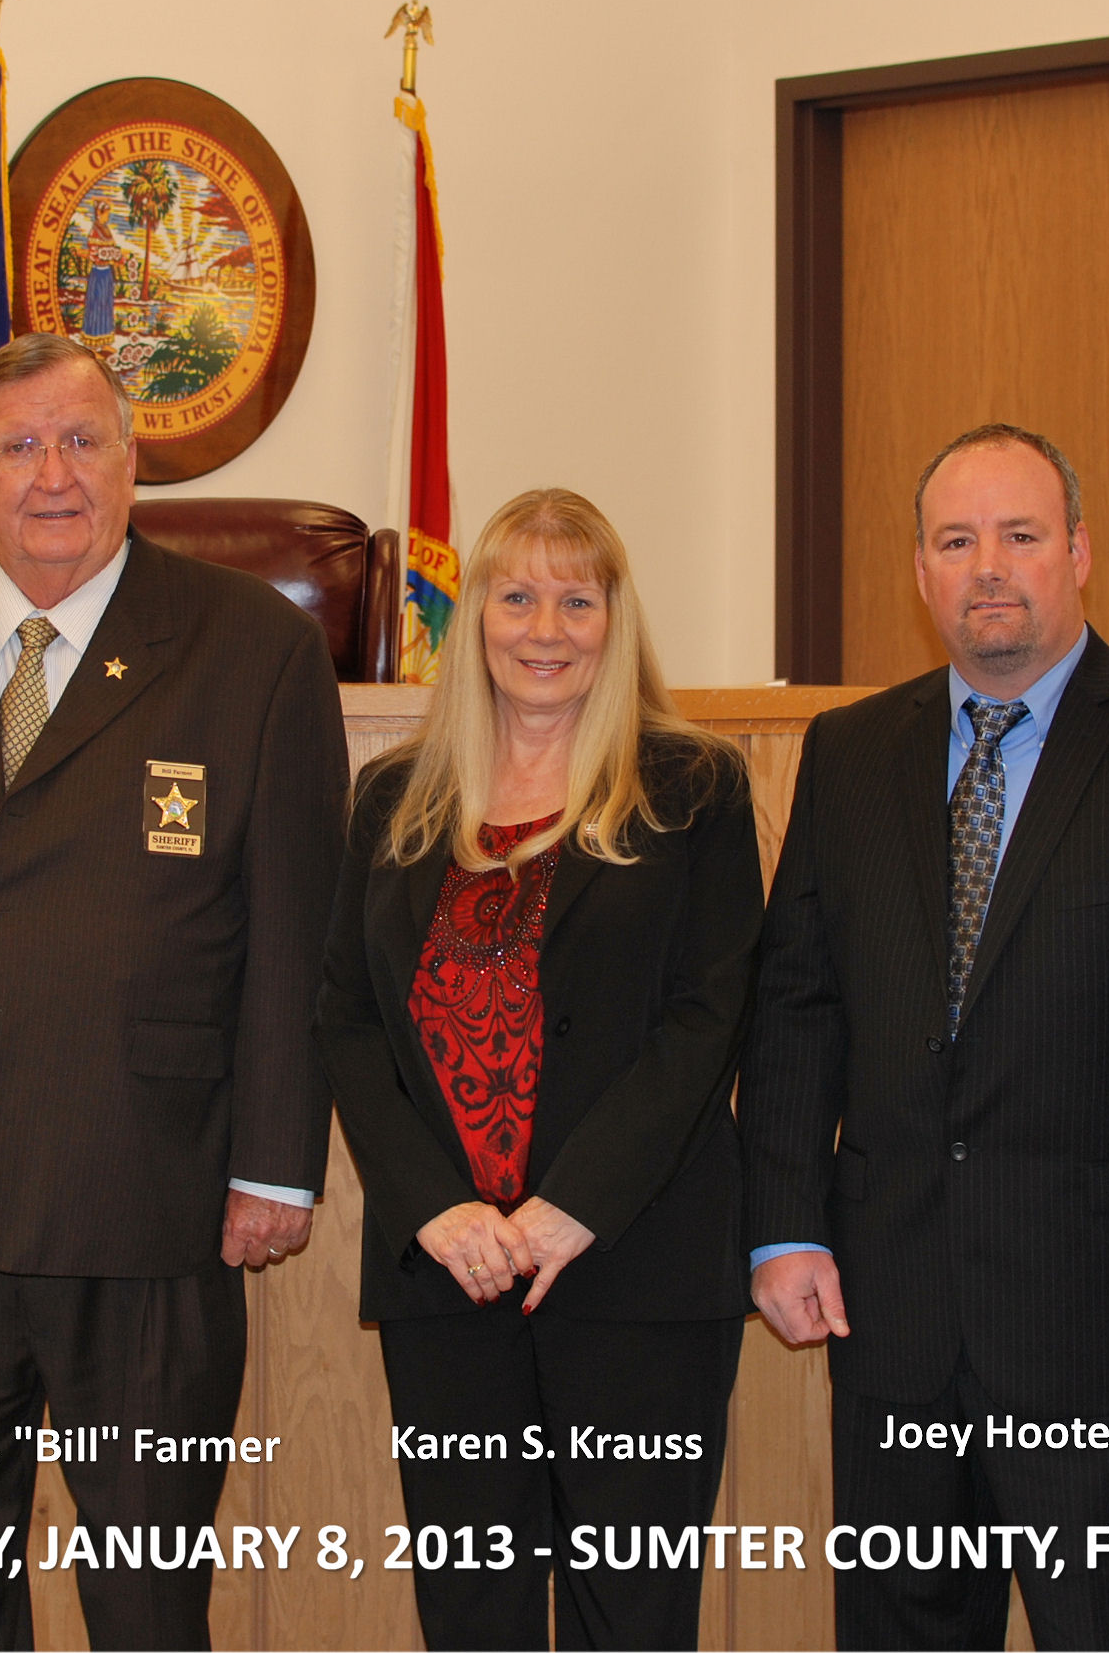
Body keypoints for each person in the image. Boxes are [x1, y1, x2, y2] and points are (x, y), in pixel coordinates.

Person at [0, 332, 348, 1650]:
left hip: (147, 1196)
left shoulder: (250, 649)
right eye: (19, 447)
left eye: (82, 440)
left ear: (133, 461)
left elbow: (294, 926)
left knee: (148, 1608)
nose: (53, 475)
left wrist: (277, 1166)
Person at [739, 425, 1109, 1650]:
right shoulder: (851, 753)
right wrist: (784, 1220)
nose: (988, 567)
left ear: (1077, 553)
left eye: (1020, 536)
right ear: (918, 571)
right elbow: (796, 1005)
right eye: (955, 540)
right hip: (894, 1318)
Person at [316, 488, 759, 1650]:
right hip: (448, 1280)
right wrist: (433, 1211)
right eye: (515, 597)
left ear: (617, 619)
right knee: (473, 1615)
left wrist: (575, 1208)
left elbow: (708, 1016)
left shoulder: (691, 790)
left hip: (637, 1271)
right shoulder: (393, 802)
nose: (545, 628)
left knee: (633, 1616)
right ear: (474, 620)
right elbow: (349, 1022)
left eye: (577, 599)